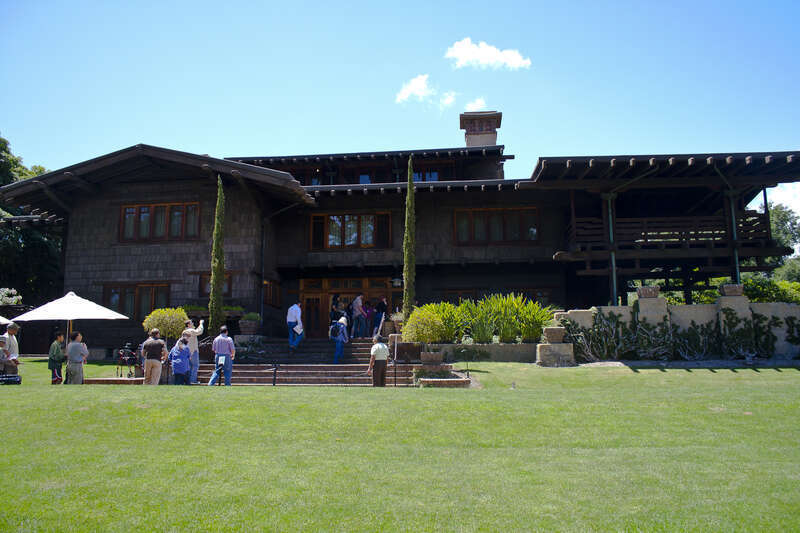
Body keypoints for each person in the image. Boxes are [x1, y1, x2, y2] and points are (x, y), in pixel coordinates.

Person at [181, 318, 204, 384]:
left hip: (186, 352)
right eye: (191, 323)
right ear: (188, 325)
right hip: (193, 351)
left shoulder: (184, 332)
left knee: (189, 366)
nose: (193, 324)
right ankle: (193, 380)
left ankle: (188, 380)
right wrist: (201, 323)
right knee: (195, 366)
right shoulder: (190, 330)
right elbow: (199, 331)